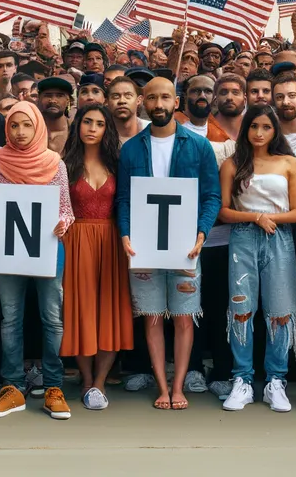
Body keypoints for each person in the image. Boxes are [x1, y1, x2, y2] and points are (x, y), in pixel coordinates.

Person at [117, 76, 220, 410]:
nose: (158, 104)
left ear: (176, 102)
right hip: (144, 244)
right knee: (152, 317)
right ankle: (162, 386)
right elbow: (124, 199)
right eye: (151, 98)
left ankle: (179, 386)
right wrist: (125, 233)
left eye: (164, 98)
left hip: (185, 244)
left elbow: (211, 196)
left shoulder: (199, 146)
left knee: (184, 317)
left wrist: (202, 232)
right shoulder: (131, 148)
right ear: (142, 102)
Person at [0, 100, 75, 420]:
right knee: (10, 319)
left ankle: (53, 387)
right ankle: (13, 387)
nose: (20, 132)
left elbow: (65, 210)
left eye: (27, 125)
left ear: (38, 127)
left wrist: (63, 223)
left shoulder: (55, 163)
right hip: (7, 252)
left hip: (48, 249)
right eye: (15, 125)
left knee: (52, 319)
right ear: (7, 129)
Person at [217, 105, 296, 413]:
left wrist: (270, 219)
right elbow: (223, 210)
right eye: (253, 126)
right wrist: (255, 217)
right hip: (242, 236)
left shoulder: (289, 163)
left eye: (266, 127)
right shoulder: (233, 163)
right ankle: (242, 379)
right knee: (242, 307)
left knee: (280, 308)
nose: (259, 133)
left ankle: (275, 380)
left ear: (274, 130)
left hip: (278, 237)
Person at [60, 103, 131, 411]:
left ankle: (100, 381)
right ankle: (87, 379)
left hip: (112, 243)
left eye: (99, 123)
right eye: (86, 122)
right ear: (78, 126)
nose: (91, 128)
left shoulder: (118, 164)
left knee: (109, 312)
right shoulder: (64, 164)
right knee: (81, 311)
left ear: (107, 129)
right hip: (75, 243)